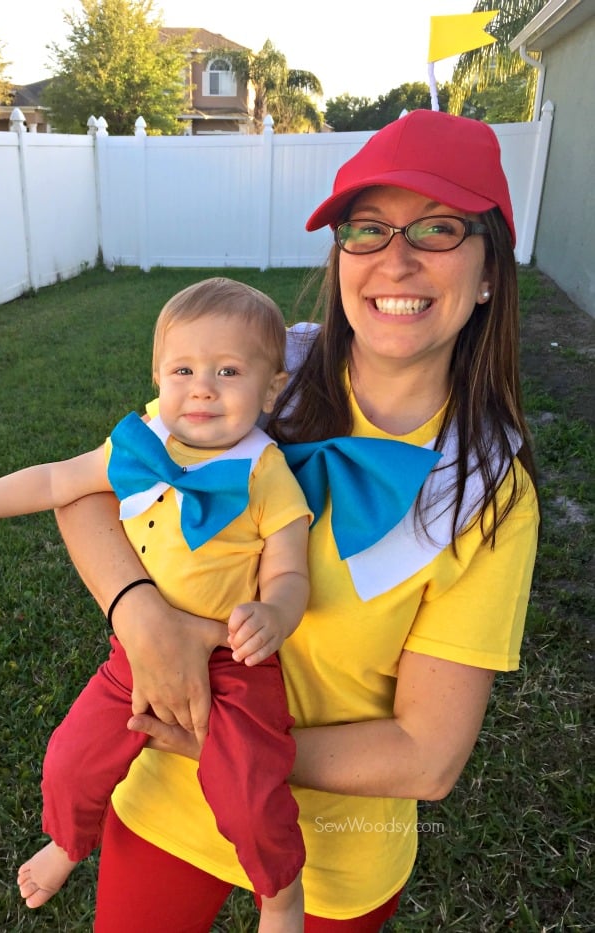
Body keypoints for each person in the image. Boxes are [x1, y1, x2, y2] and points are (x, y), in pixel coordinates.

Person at [50, 110, 540, 932]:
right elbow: (89, 492)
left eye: (439, 227)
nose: (397, 257)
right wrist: (140, 615)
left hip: (332, 853)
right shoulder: (260, 379)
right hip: (166, 806)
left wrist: (220, 742)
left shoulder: (486, 493)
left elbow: (428, 756)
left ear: (490, 271)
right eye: (368, 228)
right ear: (341, 255)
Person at [0, 278, 316, 932]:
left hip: (234, 665)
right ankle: (68, 840)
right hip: (137, 650)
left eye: (228, 371)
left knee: (250, 796)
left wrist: (275, 613)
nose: (202, 387)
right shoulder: (142, 445)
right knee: (69, 759)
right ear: (157, 376)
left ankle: (280, 888)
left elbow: (290, 567)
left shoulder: (266, 471)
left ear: (271, 389)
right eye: (184, 369)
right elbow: (57, 479)